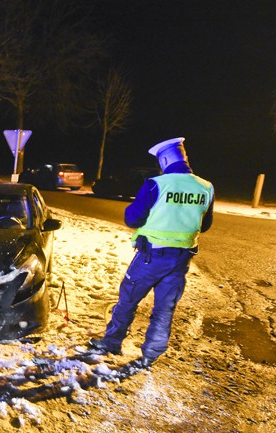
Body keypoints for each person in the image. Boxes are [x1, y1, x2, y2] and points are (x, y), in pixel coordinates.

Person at [88, 137, 214, 366]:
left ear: (165, 159)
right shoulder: (206, 187)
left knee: (128, 300)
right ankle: (151, 354)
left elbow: (133, 218)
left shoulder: (157, 184)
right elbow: (205, 225)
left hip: (151, 257)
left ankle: (112, 342)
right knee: (165, 308)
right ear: (185, 158)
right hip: (181, 260)